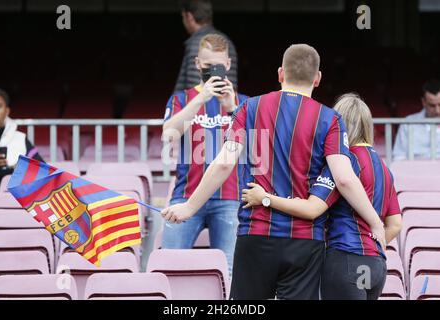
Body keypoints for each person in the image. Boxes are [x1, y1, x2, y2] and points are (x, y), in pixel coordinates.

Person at [161, 44, 386, 300]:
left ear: (280, 73)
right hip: (305, 240)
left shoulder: (250, 108)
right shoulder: (330, 119)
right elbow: (345, 178)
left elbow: (224, 162)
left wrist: (189, 207)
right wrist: (376, 222)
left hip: (256, 234)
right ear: (318, 78)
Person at [242, 93, 402, 300]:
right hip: (375, 266)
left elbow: (313, 209)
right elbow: (396, 224)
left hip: (346, 259)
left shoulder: (344, 161)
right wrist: (372, 245)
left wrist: (265, 198)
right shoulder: (384, 167)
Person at [161, 34, 248, 275]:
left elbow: (256, 149)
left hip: (230, 198)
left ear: (228, 65)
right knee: (167, 267)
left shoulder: (244, 103)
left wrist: (232, 109)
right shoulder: (182, 99)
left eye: (218, 67)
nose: (213, 72)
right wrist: (202, 97)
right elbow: (169, 134)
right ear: (197, 64)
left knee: (229, 271)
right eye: (208, 67)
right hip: (185, 195)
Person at [175, 0, 238, 92]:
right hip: (226, 103)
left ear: (189, 16)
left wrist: (176, 104)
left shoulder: (198, 45)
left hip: (201, 104)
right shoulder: (228, 42)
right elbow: (233, 87)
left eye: (183, 17)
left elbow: (195, 88)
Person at [0, 87, 43, 192]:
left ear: (7, 110)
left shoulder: (20, 138)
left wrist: (17, 168)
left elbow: (41, 172)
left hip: (12, 201)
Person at [393, 79, 440, 160]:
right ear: (423, 102)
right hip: (414, 171)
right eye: (432, 105)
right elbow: (398, 156)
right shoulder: (408, 123)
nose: (437, 110)